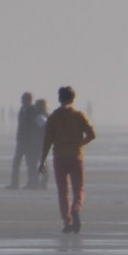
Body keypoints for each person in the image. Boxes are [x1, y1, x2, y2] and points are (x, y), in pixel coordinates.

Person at [37, 87, 96, 233]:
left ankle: (67, 221)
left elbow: (47, 140)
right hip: (76, 156)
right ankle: (76, 208)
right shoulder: (79, 115)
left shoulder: (53, 117)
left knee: (63, 191)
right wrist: (81, 143)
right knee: (79, 188)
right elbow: (92, 134)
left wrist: (42, 160)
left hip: (59, 157)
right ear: (73, 98)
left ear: (59, 99)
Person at [9, 92, 40, 189]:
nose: (22, 101)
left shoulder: (33, 111)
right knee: (16, 163)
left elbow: (34, 127)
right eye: (22, 99)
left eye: (24, 99)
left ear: (29, 100)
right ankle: (14, 183)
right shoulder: (22, 110)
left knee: (30, 163)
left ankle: (33, 183)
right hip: (21, 140)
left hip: (29, 142)